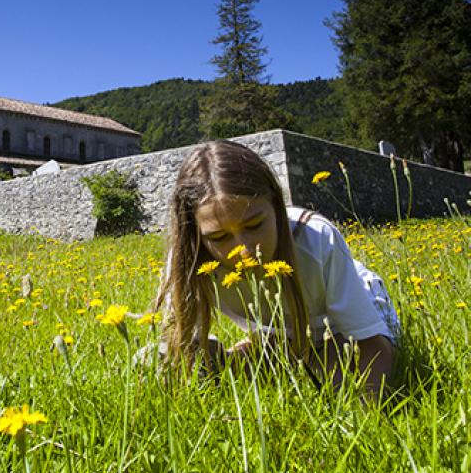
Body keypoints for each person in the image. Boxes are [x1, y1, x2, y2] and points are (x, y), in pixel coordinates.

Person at [157, 140, 400, 395]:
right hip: (283, 329)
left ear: (277, 205)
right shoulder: (190, 259)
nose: (244, 250)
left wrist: (367, 410)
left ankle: (279, 352)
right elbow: (180, 343)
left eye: (254, 226)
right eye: (219, 238)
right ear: (196, 235)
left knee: (332, 378)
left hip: (352, 313)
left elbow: (374, 346)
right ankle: (260, 351)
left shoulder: (316, 239)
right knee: (163, 365)